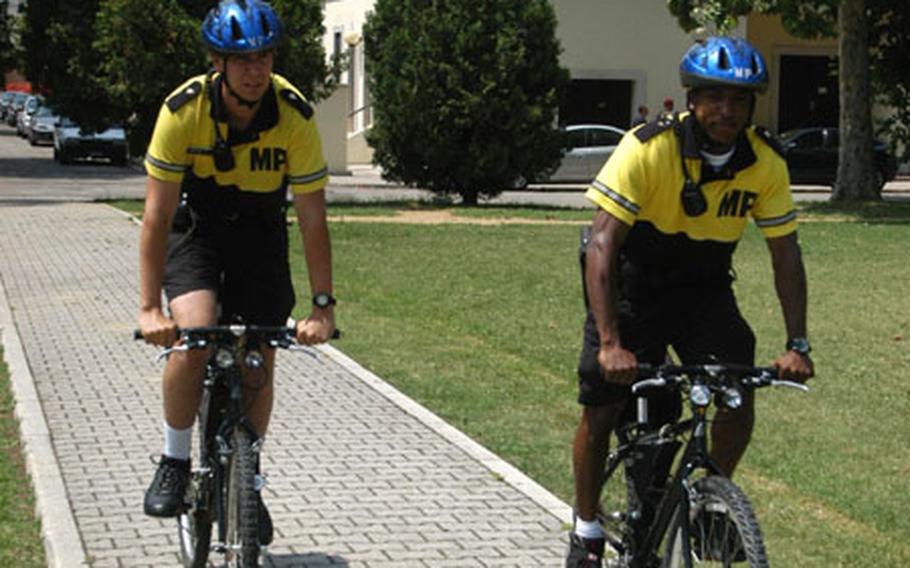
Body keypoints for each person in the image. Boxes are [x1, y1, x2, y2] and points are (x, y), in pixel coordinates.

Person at [565, 36, 814, 567]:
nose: (727, 110)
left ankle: (708, 504)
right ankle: (586, 525)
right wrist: (610, 343)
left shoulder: (765, 162)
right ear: (692, 100)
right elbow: (603, 245)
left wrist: (797, 343)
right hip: (632, 283)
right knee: (602, 404)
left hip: (704, 287)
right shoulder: (649, 146)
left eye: (739, 100)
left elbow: (785, 256)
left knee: (738, 389)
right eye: (715, 97)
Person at [137, 0, 336, 545]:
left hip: (260, 236)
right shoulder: (184, 111)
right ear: (218, 63)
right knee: (194, 337)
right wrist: (151, 306)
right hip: (196, 232)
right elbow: (155, 217)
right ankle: (175, 460)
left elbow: (313, 219)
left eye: (264, 57)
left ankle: (247, 481)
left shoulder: (293, 114)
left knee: (259, 352)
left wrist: (323, 305)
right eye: (241, 58)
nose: (255, 69)